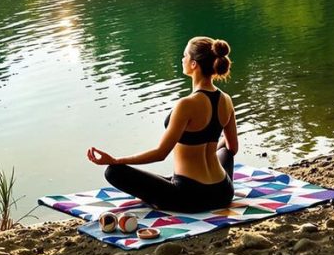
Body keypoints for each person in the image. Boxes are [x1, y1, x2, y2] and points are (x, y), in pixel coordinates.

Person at [86, 37, 238, 213]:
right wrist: (211, 147)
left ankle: (162, 191)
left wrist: (116, 160)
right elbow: (232, 147)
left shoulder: (187, 104)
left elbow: (160, 154)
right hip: (223, 191)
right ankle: (170, 182)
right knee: (223, 149)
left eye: (185, 55)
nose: (182, 59)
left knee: (113, 172)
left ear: (194, 64)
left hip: (191, 197)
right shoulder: (226, 100)